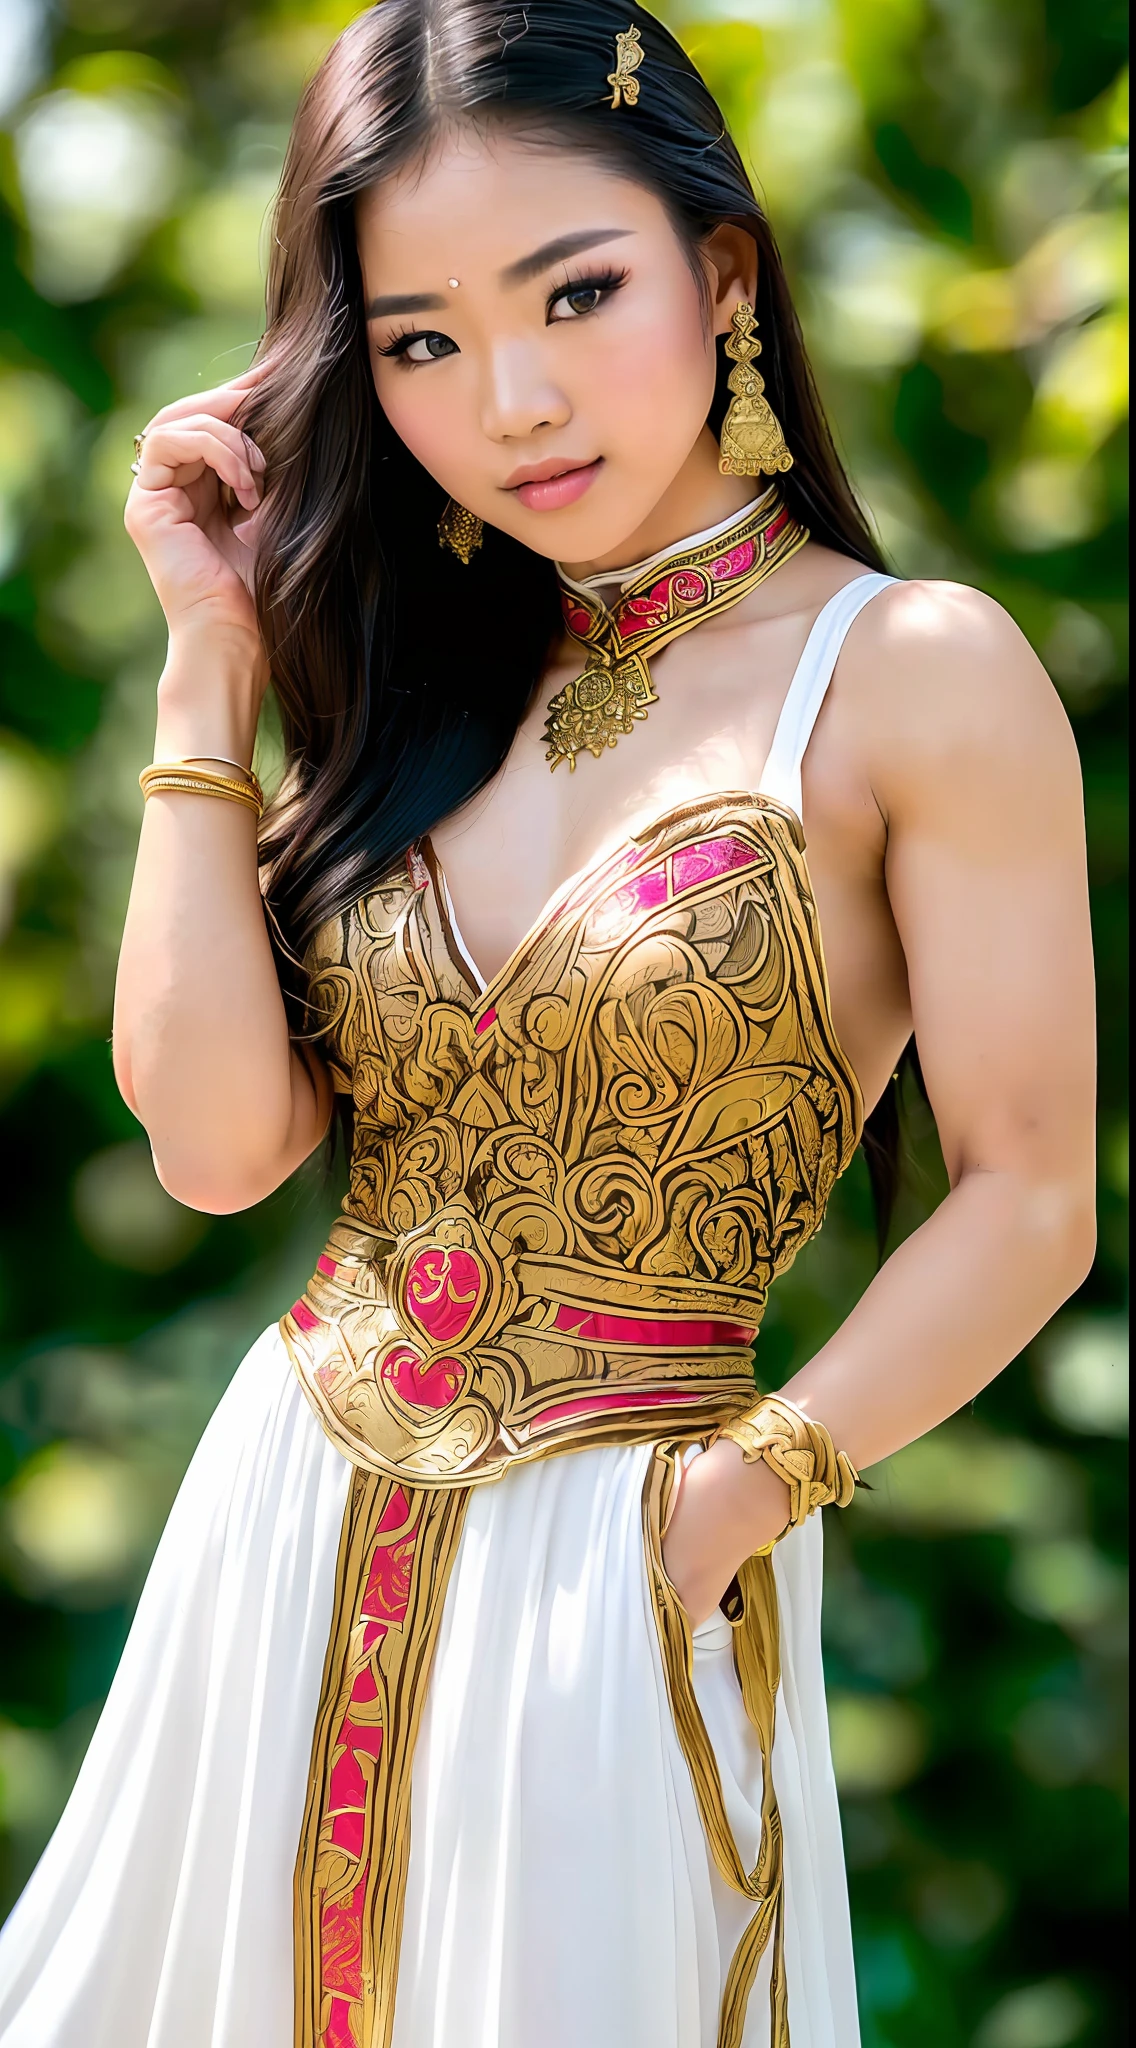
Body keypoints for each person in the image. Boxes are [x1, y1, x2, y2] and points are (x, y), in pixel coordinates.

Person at [0, 5, 1096, 2046]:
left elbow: (1032, 1197)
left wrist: (732, 1502)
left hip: (628, 1559)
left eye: (574, 292)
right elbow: (223, 1148)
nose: (510, 399)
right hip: (283, 1521)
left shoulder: (913, 674)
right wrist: (204, 664)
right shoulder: (418, 675)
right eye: (416, 341)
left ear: (724, 271)